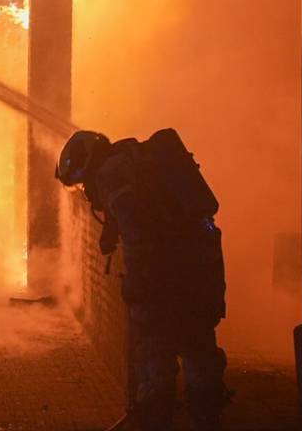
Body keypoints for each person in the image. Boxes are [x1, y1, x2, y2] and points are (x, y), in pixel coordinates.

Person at [58, 129, 229, 431]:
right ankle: (207, 418)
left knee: (154, 353)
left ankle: (156, 418)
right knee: (199, 345)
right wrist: (112, 227)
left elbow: (137, 230)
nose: (86, 190)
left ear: (86, 162)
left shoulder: (111, 174)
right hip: (202, 266)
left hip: (164, 274)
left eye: (82, 183)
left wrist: (136, 282)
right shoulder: (133, 161)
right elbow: (146, 209)